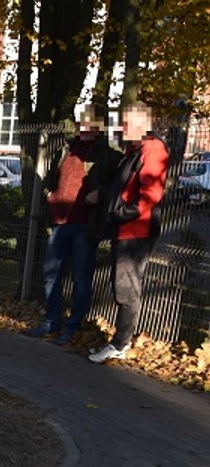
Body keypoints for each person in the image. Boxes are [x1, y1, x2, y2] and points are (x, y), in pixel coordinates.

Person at [26, 109, 122, 345]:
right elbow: (50, 177)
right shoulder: (65, 150)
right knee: (51, 275)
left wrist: (100, 193)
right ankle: (51, 322)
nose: (87, 129)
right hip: (59, 223)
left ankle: (72, 326)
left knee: (81, 278)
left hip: (84, 226)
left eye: (92, 125)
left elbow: (117, 185)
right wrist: (50, 194)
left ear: (99, 128)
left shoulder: (108, 155)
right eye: (83, 124)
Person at [88, 102, 170, 364]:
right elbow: (122, 187)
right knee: (122, 286)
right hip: (125, 228)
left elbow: (151, 193)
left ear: (142, 122)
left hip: (136, 230)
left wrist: (120, 213)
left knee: (126, 288)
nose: (122, 127)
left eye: (126, 122)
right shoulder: (134, 150)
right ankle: (119, 341)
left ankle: (120, 343)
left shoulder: (152, 148)